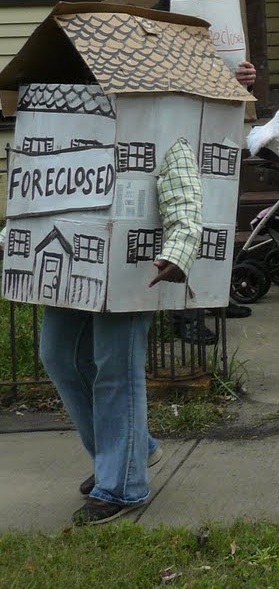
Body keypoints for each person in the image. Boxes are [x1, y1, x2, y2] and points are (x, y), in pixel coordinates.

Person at [39, 138, 201, 524]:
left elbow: (186, 202)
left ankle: (121, 484)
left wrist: (178, 251)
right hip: (70, 260)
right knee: (58, 354)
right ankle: (130, 452)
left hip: (133, 269)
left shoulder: (160, 126)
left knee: (115, 367)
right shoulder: (68, 126)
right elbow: (41, 196)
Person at [153, 0, 254, 341]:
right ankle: (184, 312)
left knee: (219, 208)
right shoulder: (156, 18)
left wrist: (242, 75)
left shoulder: (217, 16)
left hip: (216, 119)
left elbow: (227, 66)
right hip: (177, 126)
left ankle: (215, 293)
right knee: (185, 215)